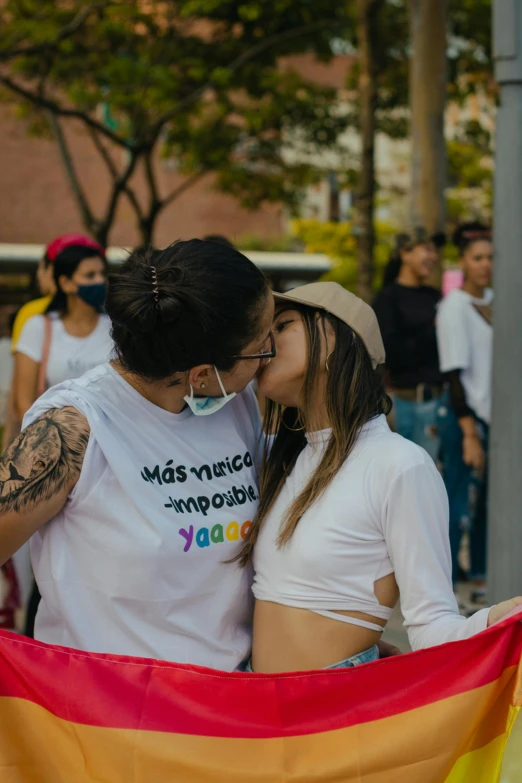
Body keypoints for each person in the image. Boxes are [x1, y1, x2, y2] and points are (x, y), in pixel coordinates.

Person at [0, 240, 275, 670]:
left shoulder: (237, 405)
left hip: (228, 710)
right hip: (109, 717)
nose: (267, 356)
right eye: (261, 347)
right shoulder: (75, 429)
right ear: (202, 375)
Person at [238, 282, 521, 673]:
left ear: (332, 337)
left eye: (282, 325)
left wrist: (497, 620)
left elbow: (431, 625)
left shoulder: (399, 465)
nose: (265, 344)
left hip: (336, 713)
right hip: (253, 705)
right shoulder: (277, 458)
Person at [436, 223, 493, 596]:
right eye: (477, 258)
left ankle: (483, 575)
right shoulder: (453, 307)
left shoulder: (497, 298)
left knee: (489, 502)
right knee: (458, 501)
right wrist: (469, 431)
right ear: (463, 262)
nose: (486, 265)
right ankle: (450, 582)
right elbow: (452, 374)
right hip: (464, 417)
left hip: (494, 416)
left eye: (491, 257)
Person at [14, 237, 112, 421]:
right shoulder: (38, 327)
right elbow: (24, 403)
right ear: (66, 283)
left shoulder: (115, 328)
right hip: (55, 439)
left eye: (102, 273)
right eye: (90, 275)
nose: (100, 281)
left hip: (107, 439)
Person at [373, 229, 442, 461]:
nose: (433, 257)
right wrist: (433, 330)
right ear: (405, 254)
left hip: (440, 403)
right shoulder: (387, 298)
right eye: (427, 249)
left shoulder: (435, 296)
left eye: (435, 251)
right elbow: (391, 353)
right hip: (408, 405)